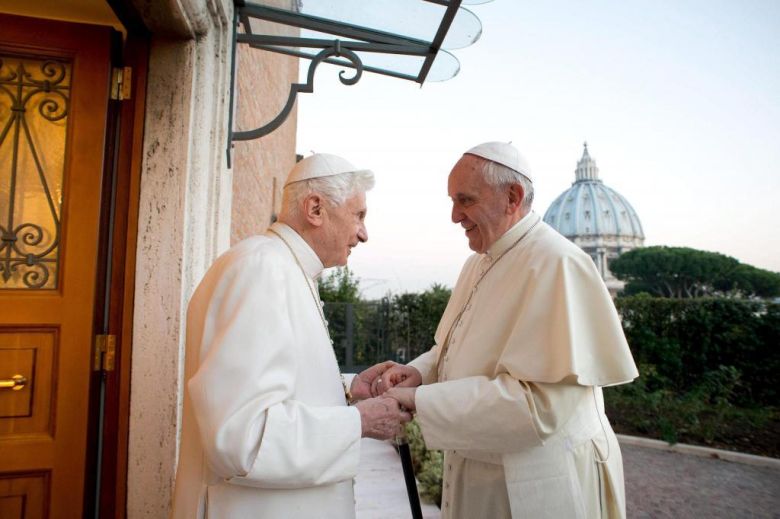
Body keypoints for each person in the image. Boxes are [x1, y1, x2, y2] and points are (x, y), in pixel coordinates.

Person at [371, 142, 639, 518]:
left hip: (536, 483)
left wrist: (420, 401)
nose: (454, 216)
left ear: (512, 197)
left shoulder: (557, 263)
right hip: (479, 472)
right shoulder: (478, 263)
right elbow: (453, 348)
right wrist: (418, 372)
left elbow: (538, 407)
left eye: (465, 200)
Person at [171, 153, 411, 519]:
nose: (363, 233)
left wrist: (346, 399)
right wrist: (359, 421)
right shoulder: (263, 268)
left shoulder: (285, 268)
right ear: (315, 208)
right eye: (359, 215)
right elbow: (241, 438)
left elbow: (276, 397)